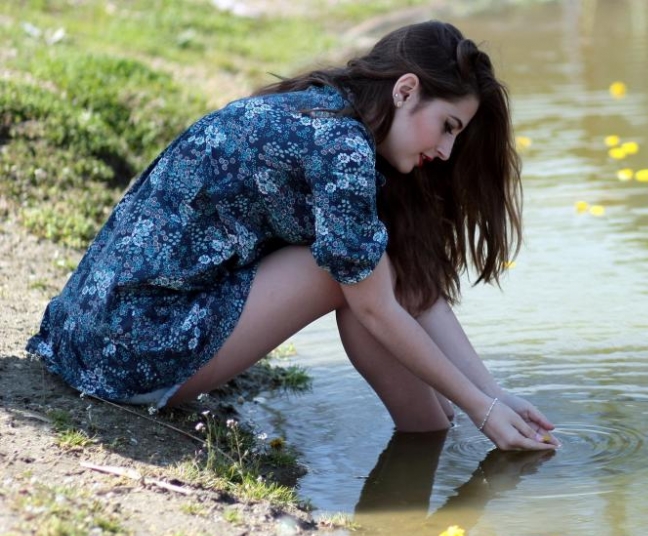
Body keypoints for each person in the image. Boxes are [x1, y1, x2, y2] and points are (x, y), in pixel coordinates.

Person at [26, 20, 558, 452]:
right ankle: (429, 444)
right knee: (351, 284)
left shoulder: (325, 109)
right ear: (405, 90)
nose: (444, 153)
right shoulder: (341, 145)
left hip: (90, 336)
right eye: (448, 127)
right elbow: (375, 307)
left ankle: (435, 438)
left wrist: (493, 395)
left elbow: (415, 291)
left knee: (375, 273)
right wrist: (480, 409)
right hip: (127, 352)